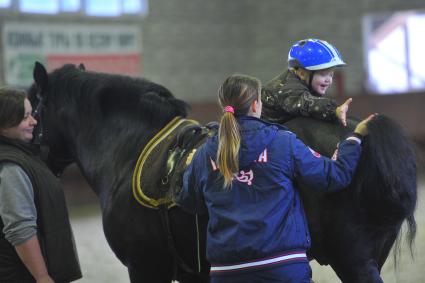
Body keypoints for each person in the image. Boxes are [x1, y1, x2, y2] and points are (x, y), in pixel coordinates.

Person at [174, 74, 374, 282]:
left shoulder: (204, 153)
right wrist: (354, 138)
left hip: (227, 271)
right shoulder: (282, 142)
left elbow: (189, 202)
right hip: (283, 267)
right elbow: (333, 176)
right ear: (255, 105)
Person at [0, 87, 81, 283]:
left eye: (32, 114)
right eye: (25, 116)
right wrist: (42, 276)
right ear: (4, 124)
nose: (34, 121)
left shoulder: (26, 155)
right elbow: (20, 228)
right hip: (22, 275)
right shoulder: (11, 166)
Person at [262, 38, 352, 126]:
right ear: (302, 73)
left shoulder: (302, 83)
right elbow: (307, 104)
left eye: (331, 75)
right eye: (323, 74)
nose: (329, 80)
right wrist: (334, 110)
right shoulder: (288, 89)